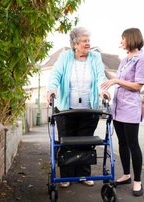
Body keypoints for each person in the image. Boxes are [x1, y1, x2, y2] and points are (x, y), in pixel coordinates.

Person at [46, 27, 110, 188]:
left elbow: (100, 77)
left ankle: (83, 174)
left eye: (89, 40)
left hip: (89, 109)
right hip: (66, 109)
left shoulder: (95, 57)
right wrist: (52, 89)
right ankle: (66, 176)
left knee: (85, 142)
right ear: (75, 44)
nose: (88, 43)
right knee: (67, 142)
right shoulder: (65, 57)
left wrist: (104, 91)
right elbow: (56, 75)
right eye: (84, 41)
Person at [101, 28, 144, 197]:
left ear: (131, 39)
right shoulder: (124, 59)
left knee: (132, 144)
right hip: (118, 107)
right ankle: (126, 175)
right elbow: (118, 80)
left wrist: (115, 80)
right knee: (122, 143)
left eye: (122, 39)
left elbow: (137, 85)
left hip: (130, 108)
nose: (120, 42)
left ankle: (137, 181)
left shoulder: (142, 59)